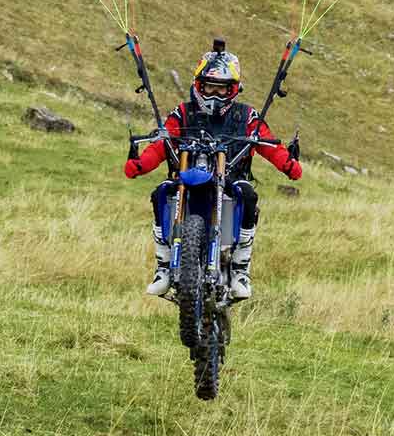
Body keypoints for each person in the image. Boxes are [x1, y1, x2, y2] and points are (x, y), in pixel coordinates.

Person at [123, 41, 302, 300]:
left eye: (221, 89)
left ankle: (240, 269)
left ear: (233, 90)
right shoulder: (183, 112)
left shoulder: (247, 116)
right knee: (161, 192)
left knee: (248, 195)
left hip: (230, 181)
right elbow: (163, 143)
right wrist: (140, 165)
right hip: (188, 180)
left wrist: (289, 165)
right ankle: (163, 267)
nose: (215, 95)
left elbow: (268, 143)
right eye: (210, 88)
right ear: (199, 85)